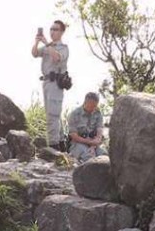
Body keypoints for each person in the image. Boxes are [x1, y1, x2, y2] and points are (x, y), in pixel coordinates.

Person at [31, 20, 70, 151]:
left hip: (56, 83)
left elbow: (57, 58)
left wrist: (46, 43)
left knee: (52, 116)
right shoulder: (49, 46)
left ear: (62, 32)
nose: (52, 32)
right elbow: (35, 53)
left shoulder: (63, 47)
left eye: (56, 29)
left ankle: (53, 146)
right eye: (51, 29)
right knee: (54, 115)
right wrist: (37, 41)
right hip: (46, 82)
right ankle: (61, 144)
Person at [67, 92, 107, 164]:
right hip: (77, 144)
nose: (93, 109)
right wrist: (89, 142)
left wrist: (93, 145)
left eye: (95, 106)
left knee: (104, 156)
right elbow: (73, 136)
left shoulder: (98, 113)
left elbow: (99, 132)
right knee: (88, 158)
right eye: (91, 106)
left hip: (94, 145)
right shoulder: (74, 114)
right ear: (85, 102)